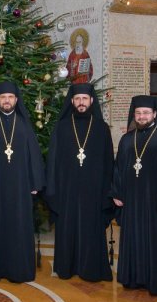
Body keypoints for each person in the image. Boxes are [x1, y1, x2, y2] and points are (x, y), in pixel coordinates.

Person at [0, 82, 45, 283]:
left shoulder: (24, 124)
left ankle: (19, 271)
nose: (6, 100)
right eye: (3, 97)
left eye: (10, 97)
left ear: (16, 100)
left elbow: (34, 156)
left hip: (21, 185)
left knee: (19, 225)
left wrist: (35, 183)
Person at [45, 83, 114, 281]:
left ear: (91, 101)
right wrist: (53, 189)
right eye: (77, 99)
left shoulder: (101, 128)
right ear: (72, 101)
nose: (81, 102)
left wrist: (108, 191)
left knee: (91, 228)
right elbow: (53, 161)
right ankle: (66, 268)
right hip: (67, 189)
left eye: (84, 99)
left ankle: (90, 269)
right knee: (67, 227)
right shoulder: (61, 127)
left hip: (94, 190)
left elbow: (109, 162)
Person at [112, 96, 157, 294]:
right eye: (138, 113)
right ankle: (132, 278)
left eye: (146, 113)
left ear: (155, 114)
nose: (142, 116)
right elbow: (118, 168)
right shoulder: (127, 139)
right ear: (134, 115)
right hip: (131, 200)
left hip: (156, 202)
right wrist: (117, 192)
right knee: (133, 239)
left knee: (154, 241)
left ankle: (155, 281)